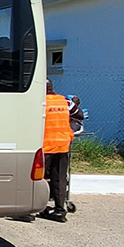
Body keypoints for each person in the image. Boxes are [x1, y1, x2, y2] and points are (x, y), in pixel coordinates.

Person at [39, 80, 73, 222]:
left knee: (38, 177)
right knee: (59, 178)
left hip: (46, 145)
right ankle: (59, 211)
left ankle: (31, 210)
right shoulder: (63, 100)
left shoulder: (41, 102)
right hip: (63, 144)